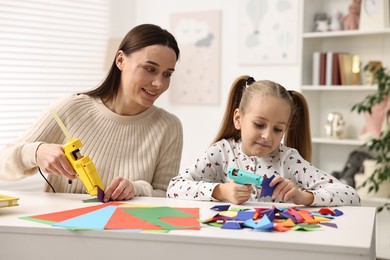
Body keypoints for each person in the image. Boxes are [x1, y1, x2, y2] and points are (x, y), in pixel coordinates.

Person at [0, 24, 183, 202]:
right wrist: (36, 152)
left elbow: (167, 194)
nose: (159, 84)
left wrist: (137, 188)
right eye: (150, 69)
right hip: (63, 227)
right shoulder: (71, 108)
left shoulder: (168, 126)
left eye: (167, 74)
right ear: (120, 60)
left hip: (130, 231)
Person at [167, 75, 360, 206]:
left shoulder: (289, 160)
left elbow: (351, 195)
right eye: (259, 124)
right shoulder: (222, 152)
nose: (268, 136)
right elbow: (174, 188)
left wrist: (305, 196)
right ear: (238, 119)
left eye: (278, 129)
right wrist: (220, 191)